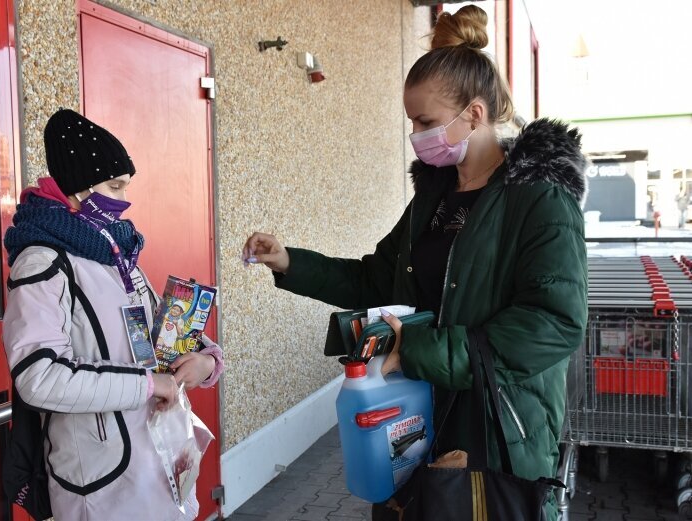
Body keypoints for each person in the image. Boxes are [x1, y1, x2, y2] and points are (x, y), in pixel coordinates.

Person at [241, 6, 587, 519]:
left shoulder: (538, 200)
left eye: (426, 122)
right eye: (412, 122)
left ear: (474, 113)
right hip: (414, 417)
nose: (416, 135)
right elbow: (375, 278)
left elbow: (554, 323)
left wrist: (422, 348)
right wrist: (291, 262)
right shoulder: (433, 199)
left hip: (493, 433)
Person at [2, 108, 224, 521]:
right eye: (114, 186)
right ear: (77, 188)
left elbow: (160, 336)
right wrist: (147, 384)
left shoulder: (118, 254)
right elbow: (39, 378)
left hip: (161, 469)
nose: (124, 200)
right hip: (102, 488)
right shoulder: (41, 263)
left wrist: (205, 360)